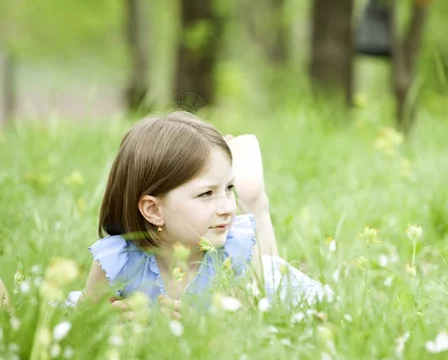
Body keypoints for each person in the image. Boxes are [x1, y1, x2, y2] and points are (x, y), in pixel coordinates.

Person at [77, 111, 331, 318]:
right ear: (154, 210)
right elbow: (81, 324)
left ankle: (254, 198)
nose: (227, 208)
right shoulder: (118, 261)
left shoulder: (234, 251)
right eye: (206, 194)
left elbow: (259, 319)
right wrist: (110, 323)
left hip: (275, 292)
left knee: (272, 274)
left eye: (229, 189)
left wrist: (197, 330)